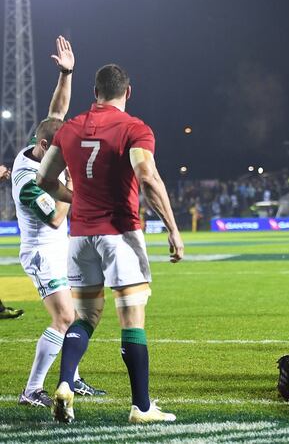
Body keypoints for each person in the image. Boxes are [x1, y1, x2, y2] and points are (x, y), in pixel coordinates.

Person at [37, 63, 184, 424]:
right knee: (132, 318)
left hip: (80, 237)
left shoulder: (69, 129)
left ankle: (66, 384)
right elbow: (146, 177)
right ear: (127, 92)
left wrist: (79, 197)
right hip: (120, 233)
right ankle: (142, 407)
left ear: (94, 92)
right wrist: (173, 229)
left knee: (85, 317)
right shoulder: (134, 128)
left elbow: (44, 179)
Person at [11, 36, 106, 408]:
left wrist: (66, 73)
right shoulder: (29, 184)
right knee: (64, 317)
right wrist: (73, 183)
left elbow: (55, 116)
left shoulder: (39, 148)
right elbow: (55, 218)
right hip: (41, 252)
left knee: (81, 313)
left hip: (60, 249)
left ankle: (72, 377)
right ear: (50, 150)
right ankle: (32, 389)